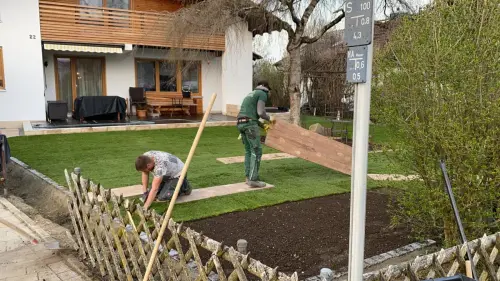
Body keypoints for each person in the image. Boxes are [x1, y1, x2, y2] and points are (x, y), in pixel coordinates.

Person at [237, 80, 274, 188]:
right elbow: (260, 112)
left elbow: (250, 115)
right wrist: (269, 118)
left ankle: (248, 177)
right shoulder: (263, 93)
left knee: (249, 151)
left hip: (240, 123)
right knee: (257, 151)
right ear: (266, 87)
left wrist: (263, 126)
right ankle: (253, 180)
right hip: (249, 125)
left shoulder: (252, 93)